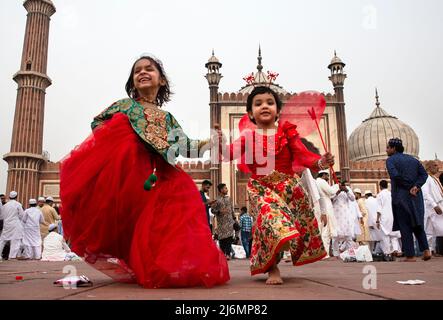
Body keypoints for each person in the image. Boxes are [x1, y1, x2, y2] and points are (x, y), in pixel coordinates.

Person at [59, 54, 229, 288]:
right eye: (137, 70)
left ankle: (163, 266)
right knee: (135, 221)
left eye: (149, 69)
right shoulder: (125, 106)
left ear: (162, 81)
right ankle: (144, 264)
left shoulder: (167, 118)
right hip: (129, 173)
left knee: (168, 220)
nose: (142, 72)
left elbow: (184, 146)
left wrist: (211, 142)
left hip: (163, 174)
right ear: (132, 81)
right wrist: (124, 138)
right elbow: (98, 125)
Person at [216, 86, 333, 284]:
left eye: (270, 103)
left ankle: (275, 258)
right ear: (250, 113)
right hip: (261, 189)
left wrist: (321, 162)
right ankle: (273, 269)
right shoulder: (248, 137)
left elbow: (303, 155)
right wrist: (220, 142)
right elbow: (229, 154)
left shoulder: (288, 134)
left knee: (284, 230)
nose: (264, 106)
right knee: (271, 221)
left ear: (278, 111)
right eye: (258, 103)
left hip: (288, 188)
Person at [386, 138, 431, 261]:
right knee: (417, 223)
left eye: (388, 147)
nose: (386, 150)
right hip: (415, 196)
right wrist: (416, 186)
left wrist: (409, 186)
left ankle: (410, 255)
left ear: (393, 149)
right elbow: (424, 175)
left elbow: (395, 175)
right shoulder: (414, 160)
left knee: (405, 225)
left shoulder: (390, 160)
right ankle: (426, 250)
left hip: (401, 196)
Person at [376, 180, 402, 258]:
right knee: (393, 234)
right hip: (393, 216)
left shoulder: (380, 195)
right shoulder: (391, 194)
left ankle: (388, 252)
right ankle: (396, 250)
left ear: (380, 186)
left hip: (384, 217)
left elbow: (379, 208)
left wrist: (377, 220)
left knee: (385, 235)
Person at [315, 170, 338, 259]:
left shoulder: (316, 182)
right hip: (325, 208)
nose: (328, 178)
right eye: (327, 176)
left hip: (319, 208)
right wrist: (337, 186)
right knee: (326, 231)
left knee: (321, 231)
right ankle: (325, 253)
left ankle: (321, 253)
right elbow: (331, 192)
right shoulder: (321, 181)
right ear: (323, 175)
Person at [422, 161, 443, 255]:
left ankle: (430, 250)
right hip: (433, 208)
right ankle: (428, 251)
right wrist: (435, 205)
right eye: (435, 165)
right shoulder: (426, 178)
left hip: (438, 206)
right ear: (428, 167)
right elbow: (425, 193)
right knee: (429, 231)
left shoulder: (434, 179)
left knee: (432, 231)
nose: (437, 167)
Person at [331, 181, 356, 258]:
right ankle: (336, 254)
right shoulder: (333, 188)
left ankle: (350, 254)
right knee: (335, 236)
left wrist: (346, 190)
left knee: (348, 236)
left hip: (345, 215)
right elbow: (331, 200)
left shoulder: (347, 188)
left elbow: (353, 199)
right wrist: (337, 192)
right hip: (336, 214)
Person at [211, 183, 235, 260]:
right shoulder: (217, 200)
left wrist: (234, 219)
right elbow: (212, 210)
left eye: (226, 188)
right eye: (225, 188)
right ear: (221, 190)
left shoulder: (229, 199)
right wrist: (219, 212)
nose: (226, 190)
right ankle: (222, 254)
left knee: (229, 238)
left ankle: (228, 254)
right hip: (221, 223)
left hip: (229, 222)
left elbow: (232, 209)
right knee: (222, 240)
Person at [0, 191, 24, 261]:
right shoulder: (18, 204)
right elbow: (22, 215)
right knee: (15, 240)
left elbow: (2, 216)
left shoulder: (5, 205)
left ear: (9, 197)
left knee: (3, 240)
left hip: (6, 224)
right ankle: (12, 256)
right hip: (15, 224)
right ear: (16, 197)